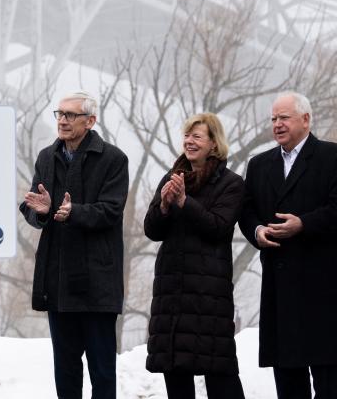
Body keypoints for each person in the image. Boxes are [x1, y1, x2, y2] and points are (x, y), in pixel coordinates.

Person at [20, 91, 128, 399]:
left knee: (102, 371)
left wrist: (74, 212)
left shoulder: (113, 159)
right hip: (58, 280)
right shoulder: (46, 157)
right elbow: (32, 206)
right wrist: (40, 212)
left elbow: (111, 209)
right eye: (60, 114)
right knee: (65, 371)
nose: (63, 121)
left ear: (90, 121)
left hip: (97, 282)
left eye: (70, 115)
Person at [239, 92, 337, 399]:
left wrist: (303, 224)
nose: (277, 125)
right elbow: (246, 210)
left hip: (323, 288)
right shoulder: (259, 165)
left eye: (284, 118)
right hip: (280, 287)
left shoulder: (331, 157)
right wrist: (256, 231)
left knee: (329, 381)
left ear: (306, 119)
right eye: (273, 119)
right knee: (288, 381)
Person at [143, 113, 245, 398]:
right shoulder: (172, 177)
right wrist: (163, 206)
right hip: (171, 293)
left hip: (207, 295)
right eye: (187, 136)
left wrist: (185, 203)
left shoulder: (231, 183)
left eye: (196, 136)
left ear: (214, 144)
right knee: (175, 373)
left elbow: (218, 227)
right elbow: (151, 230)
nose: (189, 141)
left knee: (220, 376)